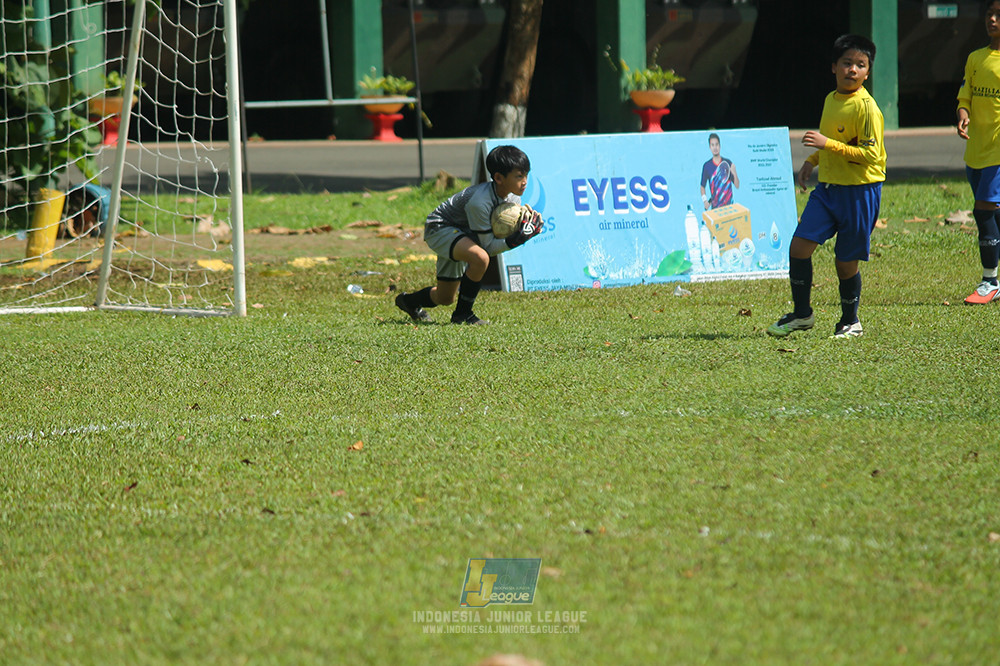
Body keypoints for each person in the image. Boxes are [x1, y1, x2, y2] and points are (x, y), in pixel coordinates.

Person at [767, 34, 886, 339]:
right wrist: (812, 160)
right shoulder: (830, 100)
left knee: (845, 263)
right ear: (834, 67)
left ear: (868, 72)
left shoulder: (867, 108)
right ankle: (802, 314)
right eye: (847, 63)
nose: (853, 70)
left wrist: (826, 144)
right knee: (799, 247)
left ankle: (851, 321)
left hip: (859, 192)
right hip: (828, 190)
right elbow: (834, 142)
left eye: (861, 65)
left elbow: (870, 155)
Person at [394, 145, 543, 325]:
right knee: (480, 258)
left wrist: (525, 229)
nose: (525, 181)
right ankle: (463, 315)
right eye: (519, 176)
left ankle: (408, 302)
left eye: (526, 175)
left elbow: (494, 240)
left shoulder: (513, 200)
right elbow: (487, 248)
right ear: (498, 178)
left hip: (462, 235)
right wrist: (518, 238)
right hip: (440, 228)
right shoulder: (480, 202)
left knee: (444, 297)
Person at [956, 0, 1000, 304]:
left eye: (999, 16)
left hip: (998, 153)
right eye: (989, 14)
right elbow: (965, 94)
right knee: (994, 214)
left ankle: (989, 281)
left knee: (984, 211)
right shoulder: (975, 58)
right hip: (976, 151)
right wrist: (963, 112)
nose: (993, 20)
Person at [700, 132, 740, 210]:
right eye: (712, 145)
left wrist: (734, 172)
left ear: (720, 146)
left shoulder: (728, 163)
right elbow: (702, 187)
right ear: (710, 147)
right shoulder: (707, 166)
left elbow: (737, 185)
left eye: (717, 144)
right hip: (716, 210)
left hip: (730, 209)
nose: (715, 147)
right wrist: (705, 201)